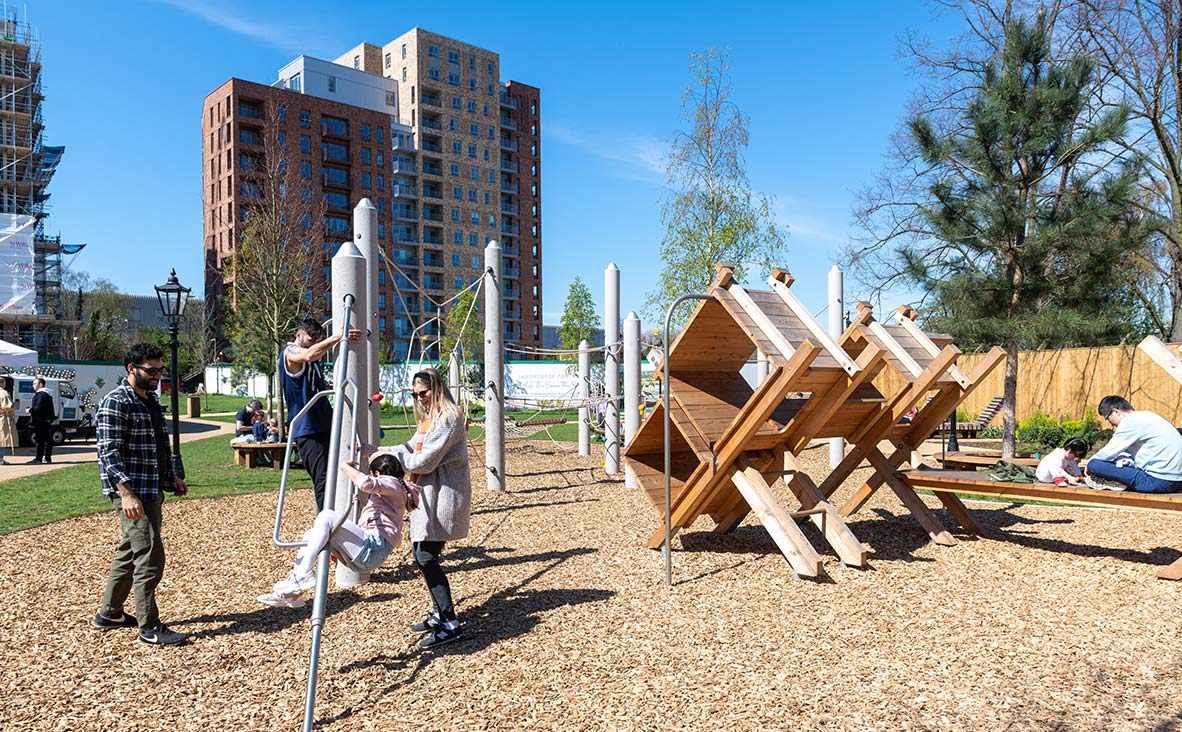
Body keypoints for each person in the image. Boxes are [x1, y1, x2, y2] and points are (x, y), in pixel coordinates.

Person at [92, 343, 189, 646]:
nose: (157, 375)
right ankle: (150, 626)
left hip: (151, 488)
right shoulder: (115, 402)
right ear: (131, 369)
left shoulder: (151, 402)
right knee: (150, 553)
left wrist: (171, 478)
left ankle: (110, 612)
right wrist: (126, 494)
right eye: (151, 370)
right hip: (130, 492)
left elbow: (159, 446)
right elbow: (108, 452)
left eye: (160, 370)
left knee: (130, 549)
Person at [380, 367, 471, 650]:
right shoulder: (430, 419)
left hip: (443, 494)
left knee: (425, 555)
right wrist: (376, 449)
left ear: (436, 388)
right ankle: (440, 613)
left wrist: (386, 458)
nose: (420, 399)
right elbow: (410, 448)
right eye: (416, 394)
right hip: (430, 494)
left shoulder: (448, 417)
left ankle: (449, 621)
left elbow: (425, 461)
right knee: (424, 555)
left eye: (424, 392)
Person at [257, 453, 417, 608]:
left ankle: (302, 577)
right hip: (370, 550)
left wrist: (344, 467)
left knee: (327, 515)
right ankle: (292, 591)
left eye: (373, 475)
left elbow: (366, 483)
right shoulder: (394, 491)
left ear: (377, 473)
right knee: (311, 535)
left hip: (374, 548)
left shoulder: (394, 483)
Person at [281, 318, 361, 511]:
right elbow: (308, 355)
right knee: (323, 478)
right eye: (311, 338)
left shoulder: (314, 358)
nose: (314, 342)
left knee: (340, 472)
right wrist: (338, 337)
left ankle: (340, 517)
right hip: (307, 429)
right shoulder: (290, 352)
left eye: (318, 338)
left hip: (325, 423)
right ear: (299, 334)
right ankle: (325, 526)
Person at [1085, 396, 1182, 493]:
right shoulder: (1148, 415)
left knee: (1094, 464)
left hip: (1157, 482)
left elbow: (1108, 453)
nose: (1111, 424)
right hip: (1178, 480)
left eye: (1107, 418)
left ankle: (1114, 483)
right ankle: (1117, 482)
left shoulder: (1129, 422)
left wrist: (1089, 465)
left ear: (1116, 412)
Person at [29, 376, 56, 464]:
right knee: (47, 440)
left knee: (40, 440)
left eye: (35, 383)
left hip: (41, 420)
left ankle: (39, 458)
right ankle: (47, 458)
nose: (33, 385)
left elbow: (38, 408)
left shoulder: (41, 394)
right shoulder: (47, 394)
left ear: (40, 384)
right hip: (46, 420)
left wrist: (30, 410)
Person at [0, 377, 15, 465]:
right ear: (2, 383)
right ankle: (0, 459)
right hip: (2, 417)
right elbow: (8, 406)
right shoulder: (3, 393)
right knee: (2, 439)